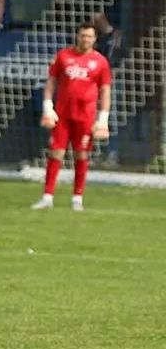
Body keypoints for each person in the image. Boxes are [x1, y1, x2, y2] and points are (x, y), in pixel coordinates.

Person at [31, 22, 111, 212]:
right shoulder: (63, 56)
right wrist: (47, 107)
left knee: (81, 155)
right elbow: (51, 82)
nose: (86, 39)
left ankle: (77, 198)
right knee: (55, 152)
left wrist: (103, 118)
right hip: (63, 115)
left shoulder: (100, 62)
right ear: (77, 36)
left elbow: (105, 91)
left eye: (89, 36)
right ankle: (47, 196)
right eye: (83, 35)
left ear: (95, 39)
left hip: (86, 117)